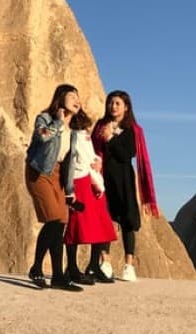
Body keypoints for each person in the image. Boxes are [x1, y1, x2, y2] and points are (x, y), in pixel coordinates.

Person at [91, 90, 158, 283]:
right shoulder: (100, 126)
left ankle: (129, 265)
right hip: (103, 178)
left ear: (126, 107)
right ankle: (105, 262)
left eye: (118, 103)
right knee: (106, 218)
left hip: (124, 179)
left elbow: (127, 154)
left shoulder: (132, 129)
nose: (113, 106)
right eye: (111, 103)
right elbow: (95, 150)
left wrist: (110, 139)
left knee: (128, 221)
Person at [25, 83, 83, 291]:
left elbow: (69, 163)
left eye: (79, 97)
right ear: (61, 98)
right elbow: (42, 136)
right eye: (72, 96)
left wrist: (69, 190)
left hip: (58, 175)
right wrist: (58, 122)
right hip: (39, 172)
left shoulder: (74, 131)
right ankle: (37, 268)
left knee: (59, 224)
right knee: (52, 219)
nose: (77, 100)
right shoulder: (46, 119)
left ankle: (57, 275)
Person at [63, 108, 117, 285]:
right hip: (83, 183)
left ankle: (87, 266)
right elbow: (86, 163)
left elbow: (91, 159)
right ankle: (77, 267)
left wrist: (97, 165)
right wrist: (99, 183)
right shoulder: (79, 137)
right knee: (79, 224)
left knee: (92, 223)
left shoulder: (81, 137)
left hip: (86, 182)